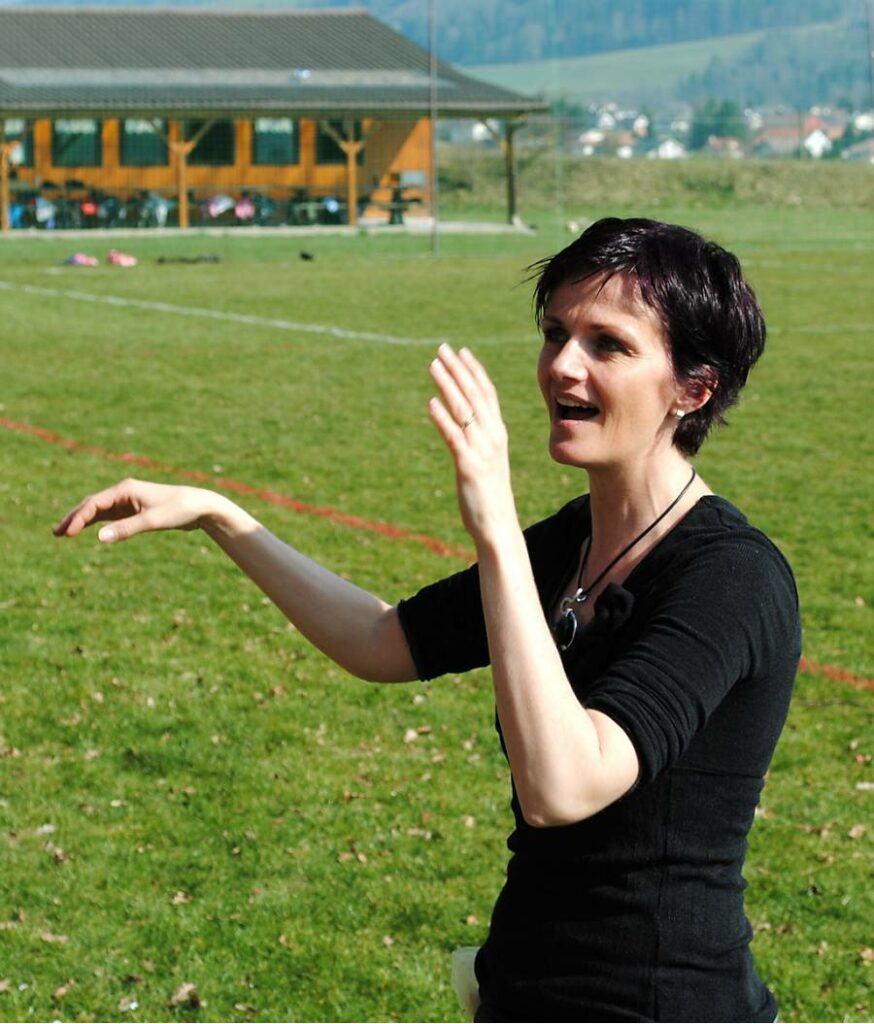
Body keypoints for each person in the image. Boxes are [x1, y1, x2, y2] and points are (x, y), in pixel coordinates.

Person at [55, 218, 800, 1023]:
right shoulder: (577, 540)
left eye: (608, 345)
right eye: (556, 333)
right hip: (525, 991)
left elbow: (563, 785)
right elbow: (384, 641)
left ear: (694, 388)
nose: (562, 365)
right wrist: (223, 517)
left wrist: (495, 527)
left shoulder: (732, 578)